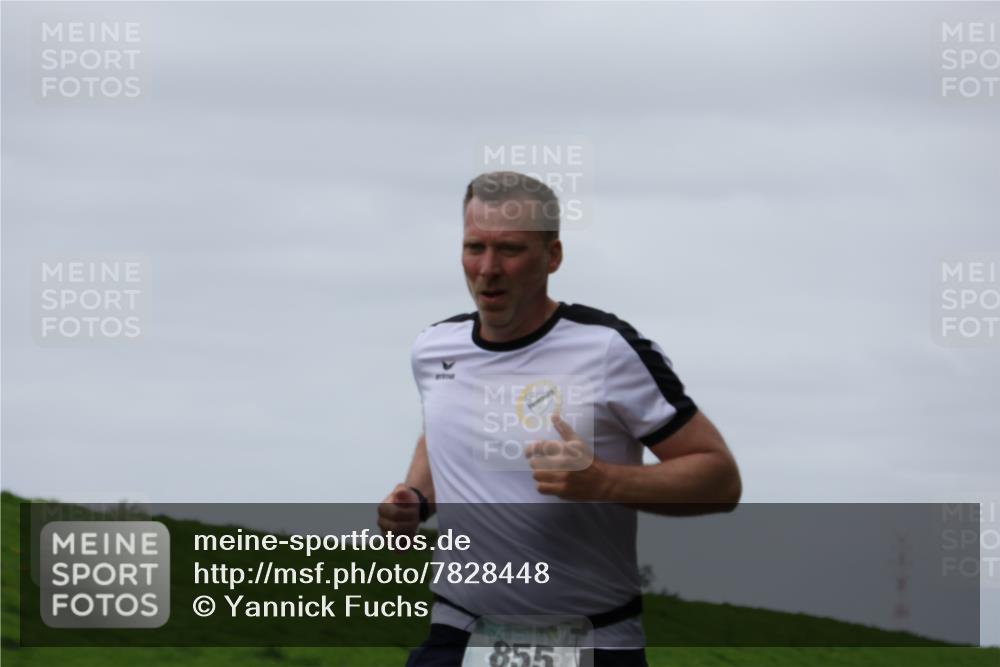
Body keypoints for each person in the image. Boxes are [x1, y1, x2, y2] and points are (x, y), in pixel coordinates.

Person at [378, 171, 742, 667]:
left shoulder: (608, 349)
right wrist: (416, 499)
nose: (488, 268)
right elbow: (442, 427)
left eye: (509, 250)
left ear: (552, 257)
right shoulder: (434, 349)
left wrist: (603, 482)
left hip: (593, 641)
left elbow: (719, 479)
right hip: (460, 632)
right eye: (474, 247)